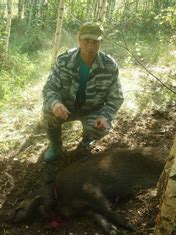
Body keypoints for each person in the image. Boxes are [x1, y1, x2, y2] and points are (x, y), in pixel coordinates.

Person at [42, 21, 124, 162]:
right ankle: (55, 144)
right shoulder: (64, 61)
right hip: (66, 108)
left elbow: (116, 97)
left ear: (101, 42)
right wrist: (55, 103)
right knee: (48, 112)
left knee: (100, 128)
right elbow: (50, 88)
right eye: (86, 41)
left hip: (92, 110)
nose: (90, 46)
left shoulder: (109, 65)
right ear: (79, 39)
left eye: (95, 42)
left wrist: (105, 116)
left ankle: (87, 139)